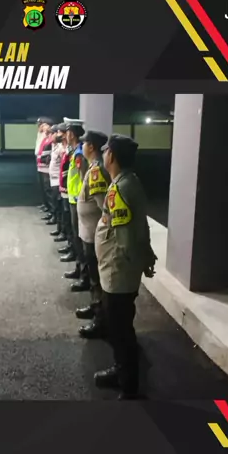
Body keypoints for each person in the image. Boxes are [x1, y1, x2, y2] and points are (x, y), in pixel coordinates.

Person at [94, 134, 157, 400]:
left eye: (105, 151)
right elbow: (141, 225)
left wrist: (136, 263)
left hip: (118, 272)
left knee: (120, 330)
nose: (103, 155)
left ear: (111, 155)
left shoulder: (119, 189)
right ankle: (122, 371)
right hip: (121, 272)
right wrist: (146, 257)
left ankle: (128, 383)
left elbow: (127, 240)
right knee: (121, 326)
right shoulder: (130, 181)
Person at [75, 130, 111, 339]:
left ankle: (101, 320)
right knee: (93, 275)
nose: (82, 146)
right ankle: (95, 306)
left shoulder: (97, 171)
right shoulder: (93, 167)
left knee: (97, 277)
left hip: (94, 235)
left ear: (91, 147)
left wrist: (102, 235)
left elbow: (104, 208)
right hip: (88, 233)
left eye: (85, 143)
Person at [63, 118, 89, 292]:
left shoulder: (79, 153)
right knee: (77, 238)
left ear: (71, 133)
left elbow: (84, 178)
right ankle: (80, 269)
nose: (65, 134)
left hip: (78, 201)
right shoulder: (75, 151)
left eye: (67, 131)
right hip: (74, 199)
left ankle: (85, 277)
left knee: (80, 240)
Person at [47, 123, 67, 238]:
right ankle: (60, 229)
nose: (52, 136)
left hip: (58, 181)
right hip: (53, 179)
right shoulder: (56, 146)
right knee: (57, 206)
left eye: (57, 132)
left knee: (60, 208)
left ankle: (63, 231)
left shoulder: (62, 149)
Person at [37, 120, 54, 222]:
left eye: (45, 125)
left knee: (49, 190)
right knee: (46, 189)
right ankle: (50, 210)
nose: (43, 127)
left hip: (47, 168)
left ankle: (52, 211)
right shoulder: (45, 138)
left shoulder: (51, 140)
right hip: (42, 167)